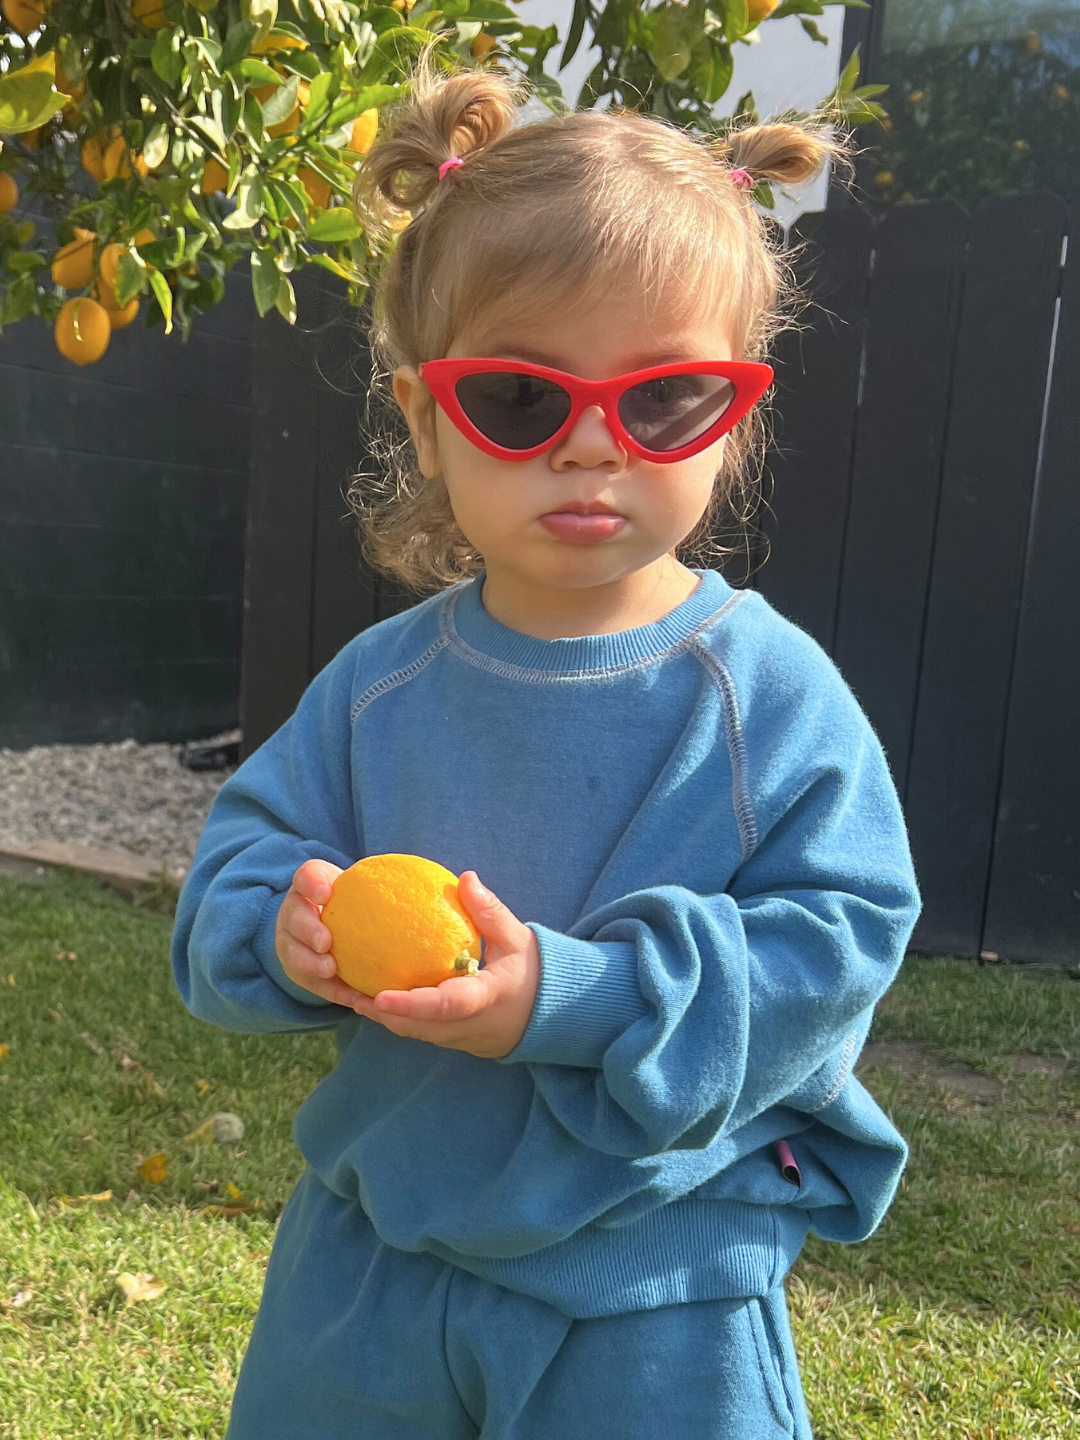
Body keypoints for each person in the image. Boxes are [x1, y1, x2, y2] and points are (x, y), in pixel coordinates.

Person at [171, 54, 921, 1440]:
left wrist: (567, 1001)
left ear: (734, 414)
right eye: (522, 398)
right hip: (373, 1266)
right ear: (426, 413)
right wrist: (288, 932)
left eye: (663, 399)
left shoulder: (767, 698)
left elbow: (841, 940)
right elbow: (243, 862)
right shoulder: (376, 690)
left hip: (653, 1294)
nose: (593, 447)